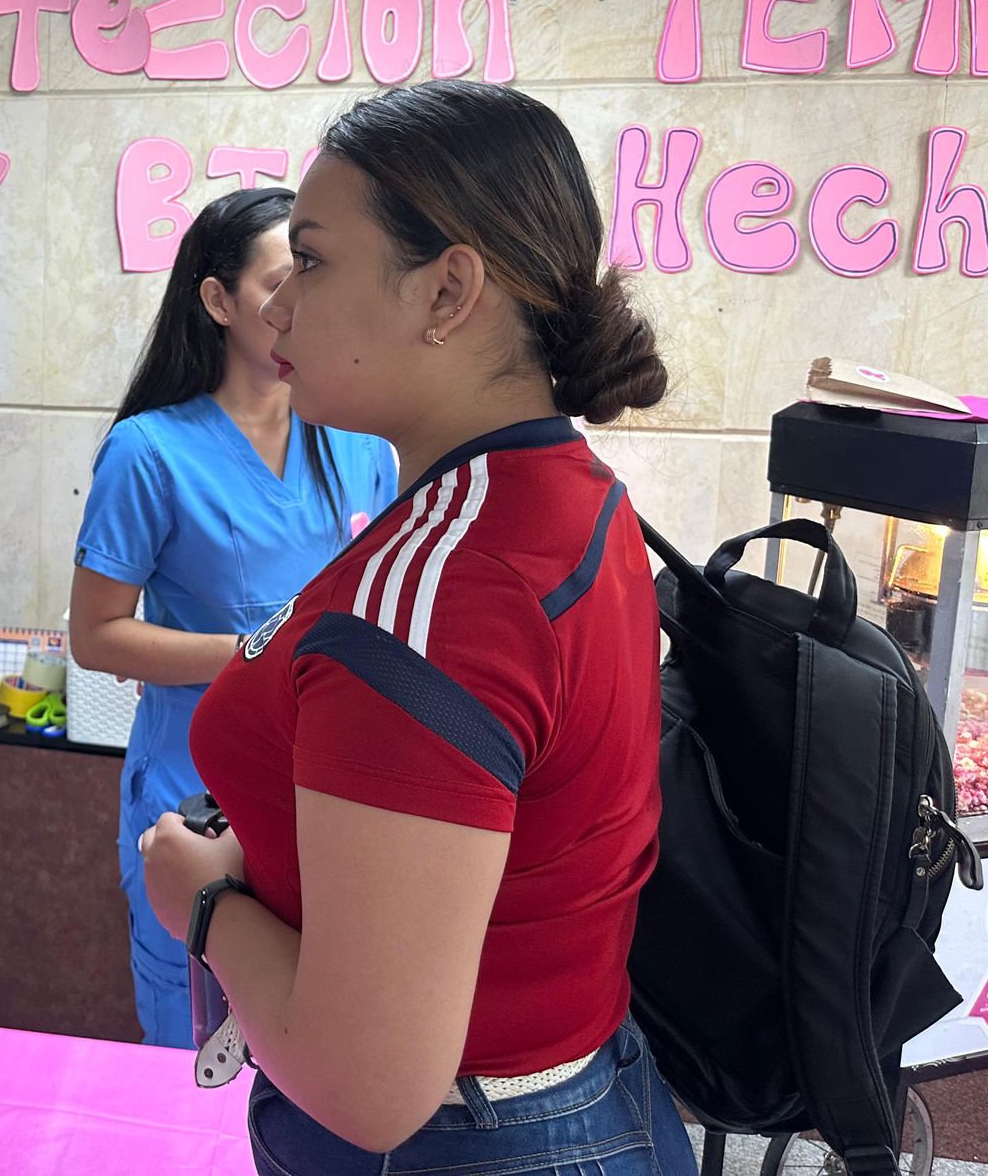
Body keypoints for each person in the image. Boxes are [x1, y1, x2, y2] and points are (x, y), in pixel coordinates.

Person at [137, 80, 695, 1175]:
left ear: (446, 291)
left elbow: (368, 1086)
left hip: (458, 1140)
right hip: (581, 1097)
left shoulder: (430, 597)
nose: (279, 305)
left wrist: (200, 902)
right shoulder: (567, 493)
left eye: (313, 257)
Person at [68, 187, 396, 1048]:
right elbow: (95, 635)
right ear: (216, 301)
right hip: (191, 799)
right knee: (198, 1045)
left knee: (319, 1048)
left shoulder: (364, 443)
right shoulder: (149, 452)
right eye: (281, 282)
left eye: (315, 279)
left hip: (330, 802)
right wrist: (258, 652)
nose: (299, 309)